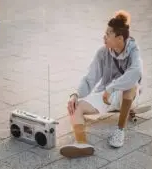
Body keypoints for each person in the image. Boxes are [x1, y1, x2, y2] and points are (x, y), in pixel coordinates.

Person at [60, 10, 143, 158]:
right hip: (106, 96)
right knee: (75, 106)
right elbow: (89, 77)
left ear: (119, 38)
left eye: (108, 34)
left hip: (129, 97)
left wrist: (111, 88)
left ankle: (120, 131)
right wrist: (75, 94)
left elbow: (135, 73)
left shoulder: (133, 51)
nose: (104, 37)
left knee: (130, 86)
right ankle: (81, 144)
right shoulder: (102, 52)